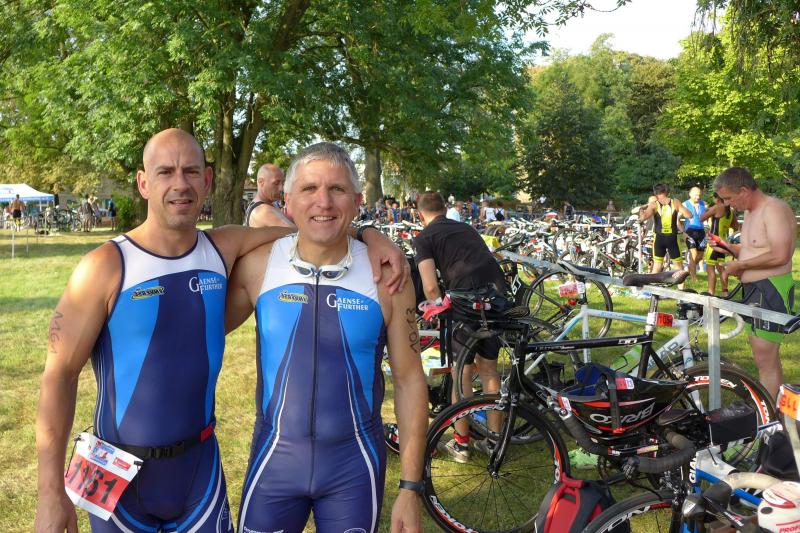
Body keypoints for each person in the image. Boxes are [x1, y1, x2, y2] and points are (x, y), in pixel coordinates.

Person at [34, 129, 408, 533]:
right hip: (117, 474)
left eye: (191, 171)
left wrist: (370, 235)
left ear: (208, 180)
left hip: (199, 473)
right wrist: (51, 493)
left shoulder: (224, 248)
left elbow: (315, 228)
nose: (180, 184)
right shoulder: (104, 266)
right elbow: (58, 377)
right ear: (143, 182)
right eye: (165, 172)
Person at [225, 142, 427, 533]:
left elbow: (409, 380)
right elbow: (197, 338)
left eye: (336, 189)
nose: (324, 201)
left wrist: (410, 487)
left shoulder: (388, 279)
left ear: (356, 201)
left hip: (354, 469)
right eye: (309, 189)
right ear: (287, 201)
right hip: (274, 463)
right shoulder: (258, 266)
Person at [414, 191, 508, 460]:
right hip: (495, 298)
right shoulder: (466, 228)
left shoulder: (425, 238)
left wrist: (435, 307)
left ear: (420, 215)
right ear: (445, 209)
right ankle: (494, 442)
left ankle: (461, 444)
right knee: (489, 370)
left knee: (461, 373)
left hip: (465, 304)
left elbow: (430, 287)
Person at [712, 167, 797, 399]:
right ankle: (771, 410)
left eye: (729, 198)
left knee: (765, 358)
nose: (727, 205)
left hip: (771, 288)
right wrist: (728, 248)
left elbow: (781, 255)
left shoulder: (774, 209)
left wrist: (739, 266)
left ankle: (767, 414)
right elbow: (753, 249)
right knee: (763, 358)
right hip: (755, 289)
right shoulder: (750, 212)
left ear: (744, 190)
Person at [638, 184, 693, 275]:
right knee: (679, 267)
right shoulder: (675, 202)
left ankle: (653, 284)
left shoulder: (653, 204)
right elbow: (689, 215)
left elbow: (642, 218)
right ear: (666, 192)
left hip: (659, 238)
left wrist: (641, 209)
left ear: (655, 193)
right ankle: (680, 284)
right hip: (672, 238)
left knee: (657, 266)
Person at [700, 192, 738, 296]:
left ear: (717, 198)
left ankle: (710, 293)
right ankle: (725, 292)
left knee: (710, 269)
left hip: (713, 241)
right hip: (723, 242)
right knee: (721, 268)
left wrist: (707, 210)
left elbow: (701, 218)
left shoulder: (716, 207)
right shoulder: (730, 210)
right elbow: (735, 226)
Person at [244, 163, 294, 228]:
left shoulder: (262, 206)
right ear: (261, 182)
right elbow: (300, 233)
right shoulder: (263, 211)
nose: (281, 188)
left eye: (282, 183)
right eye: (276, 183)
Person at [683, 186, 708, 282]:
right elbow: (677, 219)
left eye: (699, 195)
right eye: (696, 195)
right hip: (690, 231)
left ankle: (688, 269)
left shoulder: (704, 204)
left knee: (700, 256)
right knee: (693, 254)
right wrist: (683, 232)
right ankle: (694, 278)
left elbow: (709, 215)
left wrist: (708, 228)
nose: (698, 197)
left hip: (701, 231)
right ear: (690, 194)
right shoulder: (685, 204)